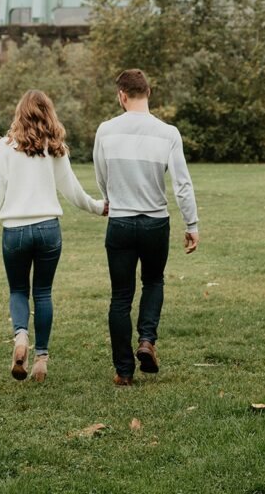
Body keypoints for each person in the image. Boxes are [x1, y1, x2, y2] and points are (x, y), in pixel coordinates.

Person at [0, 89, 106, 382]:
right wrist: (98, 208)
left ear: (19, 113)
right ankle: (42, 359)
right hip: (48, 229)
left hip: (15, 231)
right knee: (43, 292)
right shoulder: (55, 148)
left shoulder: (4, 146)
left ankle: (21, 337)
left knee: (18, 290)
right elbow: (73, 191)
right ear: (49, 113)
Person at [93, 68, 199, 385]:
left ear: (121, 96)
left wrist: (108, 198)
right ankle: (147, 340)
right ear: (148, 93)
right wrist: (191, 223)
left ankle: (124, 372)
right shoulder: (168, 133)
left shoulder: (106, 131)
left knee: (120, 298)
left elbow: (101, 173)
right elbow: (182, 185)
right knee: (153, 281)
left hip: (121, 221)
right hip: (155, 222)